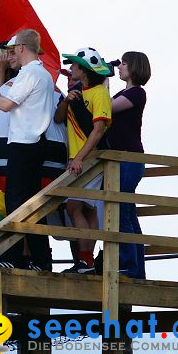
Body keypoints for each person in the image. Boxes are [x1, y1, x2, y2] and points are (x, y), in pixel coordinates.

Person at [0, 29, 55, 271]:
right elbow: (10, 101)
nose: (10, 55)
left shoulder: (30, 73)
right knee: (32, 204)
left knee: (16, 203)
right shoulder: (41, 73)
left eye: (12, 50)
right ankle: (40, 260)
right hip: (35, 143)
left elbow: (6, 105)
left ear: (21, 48)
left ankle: (16, 257)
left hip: (24, 145)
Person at [53, 47, 114, 274]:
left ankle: (85, 261)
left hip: (88, 160)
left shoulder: (99, 93)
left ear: (85, 69)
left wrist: (78, 159)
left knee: (73, 206)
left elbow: (98, 131)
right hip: (80, 160)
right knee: (87, 210)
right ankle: (86, 263)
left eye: (75, 65)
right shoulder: (77, 91)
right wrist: (66, 101)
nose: (71, 69)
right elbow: (59, 118)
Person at [107, 51, 151, 279]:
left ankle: (128, 266)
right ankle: (135, 269)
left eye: (123, 63)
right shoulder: (123, 92)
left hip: (129, 159)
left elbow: (107, 109)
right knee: (128, 215)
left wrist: (102, 79)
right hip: (123, 160)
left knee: (121, 212)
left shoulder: (136, 92)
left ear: (134, 67)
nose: (120, 67)